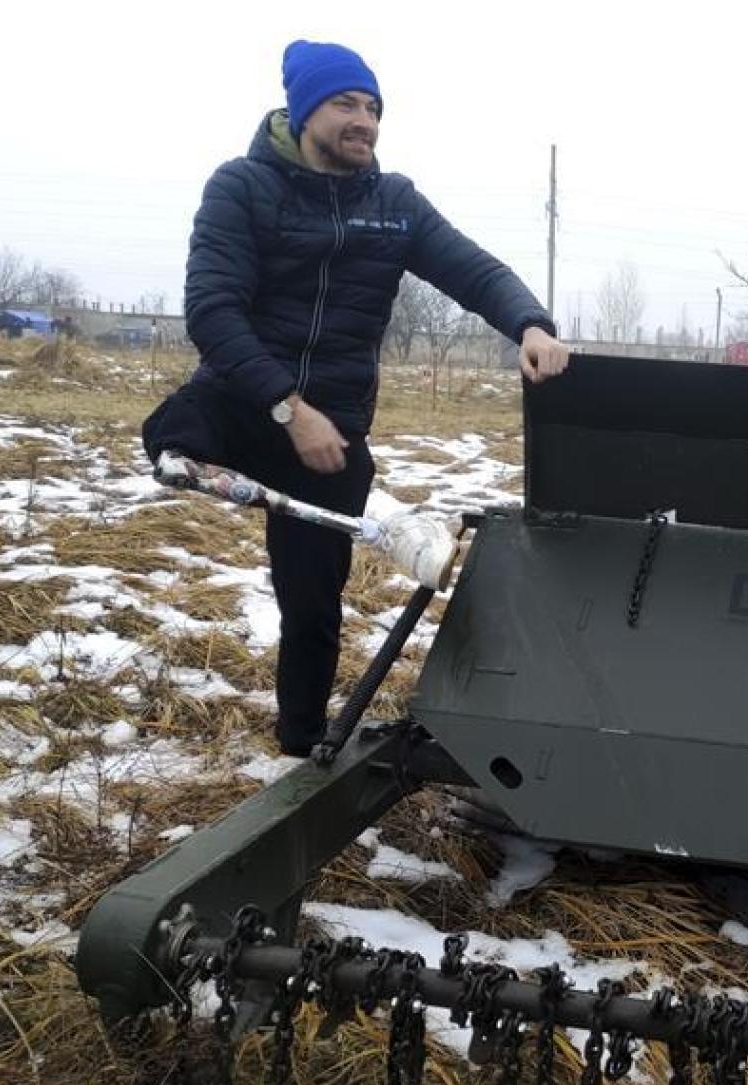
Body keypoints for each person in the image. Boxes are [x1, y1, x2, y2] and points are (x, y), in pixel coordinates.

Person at [142, 39, 570, 757]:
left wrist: (530, 323)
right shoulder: (242, 187)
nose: (364, 120)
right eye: (346, 104)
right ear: (304, 111)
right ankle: (196, 464)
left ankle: (300, 741)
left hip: (330, 434)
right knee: (172, 427)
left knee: (312, 604)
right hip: (247, 399)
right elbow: (212, 311)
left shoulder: (394, 204)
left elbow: (473, 269)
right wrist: (287, 405)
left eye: (373, 108)